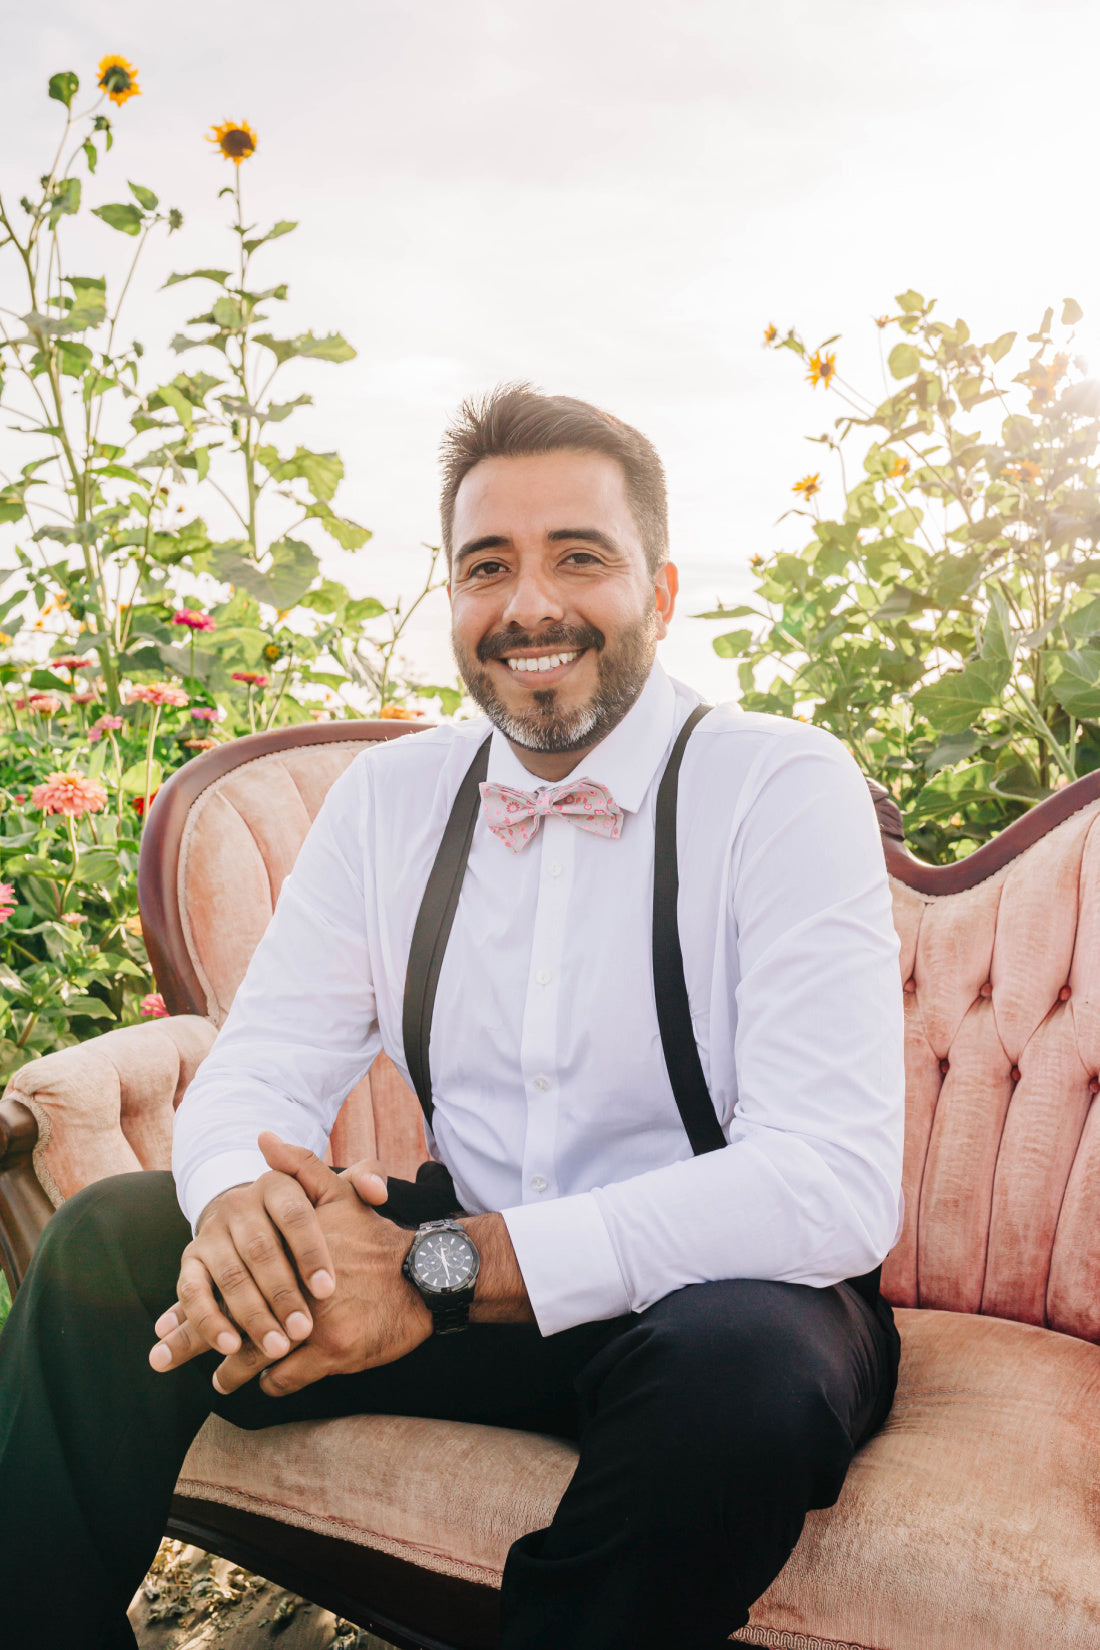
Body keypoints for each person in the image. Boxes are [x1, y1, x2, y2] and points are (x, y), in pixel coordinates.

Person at [0, 384, 904, 1650]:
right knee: (110, 1239)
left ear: (660, 589)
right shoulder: (390, 800)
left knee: (740, 1381)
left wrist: (436, 1273)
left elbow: (829, 1183)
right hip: (458, 1252)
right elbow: (257, 1070)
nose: (529, 604)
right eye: (488, 567)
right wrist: (239, 1219)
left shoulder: (775, 782)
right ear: (453, 601)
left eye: (576, 557)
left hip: (710, 1291)